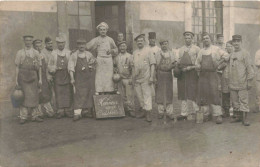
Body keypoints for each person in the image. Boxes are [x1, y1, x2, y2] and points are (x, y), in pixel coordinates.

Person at [195, 32, 229, 124]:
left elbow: (226, 56)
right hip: (203, 75)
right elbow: (197, 63)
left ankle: (218, 115)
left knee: (214, 94)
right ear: (202, 40)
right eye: (204, 38)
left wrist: (218, 64)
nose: (206, 40)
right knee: (204, 94)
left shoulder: (216, 49)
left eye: (207, 38)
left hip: (213, 75)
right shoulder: (201, 51)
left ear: (211, 39)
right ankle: (206, 114)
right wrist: (198, 67)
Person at [15, 35, 43, 124]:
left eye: (30, 40)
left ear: (32, 41)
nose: (28, 42)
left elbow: (40, 67)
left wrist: (40, 79)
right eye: (26, 40)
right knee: (24, 97)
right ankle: (23, 116)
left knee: (34, 96)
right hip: (23, 77)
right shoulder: (20, 53)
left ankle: (35, 116)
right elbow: (17, 67)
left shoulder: (36, 53)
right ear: (24, 41)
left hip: (33, 76)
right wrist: (16, 80)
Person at [229, 35, 254, 126]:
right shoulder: (231, 54)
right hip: (233, 82)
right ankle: (238, 117)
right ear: (232, 43)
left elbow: (249, 68)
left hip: (242, 81)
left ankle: (245, 118)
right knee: (235, 101)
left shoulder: (245, 53)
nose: (236, 43)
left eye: (238, 41)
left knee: (243, 100)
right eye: (234, 41)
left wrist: (249, 81)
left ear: (241, 42)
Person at [86, 22, 118, 94]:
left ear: (106, 30)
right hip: (100, 59)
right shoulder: (96, 39)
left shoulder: (110, 39)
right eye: (101, 30)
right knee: (99, 76)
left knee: (108, 76)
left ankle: (109, 91)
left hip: (108, 60)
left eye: (104, 30)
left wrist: (111, 50)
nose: (103, 31)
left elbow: (116, 50)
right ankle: (99, 91)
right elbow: (87, 47)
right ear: (99, 31)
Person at [68, 39, 96, 121]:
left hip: (88, 78)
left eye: (83, 45)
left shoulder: (89, 54)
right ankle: (77, 113)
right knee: (78, 95)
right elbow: (71, 67)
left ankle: (87, 112)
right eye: (80, 45)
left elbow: (94, 63)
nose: (81, 46)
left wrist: (91, 67)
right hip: (78, 79)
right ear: (77, 46)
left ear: (85, 46)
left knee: (88, 94)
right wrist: (72, 78)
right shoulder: (74, 55)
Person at [177, 31, 200, 121]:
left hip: (193, 73)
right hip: (183, 74)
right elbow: (178, 61)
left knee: (193, 92)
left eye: (189, 38)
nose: (187, 39)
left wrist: (191, 67)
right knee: (183, 93)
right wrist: (179, 67)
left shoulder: (197, 49)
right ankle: (184, 113)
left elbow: (199, 63)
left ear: (192, 38)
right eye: (186, 38)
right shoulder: (181, 49)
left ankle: (197, 111)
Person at [132, 34, 156, 122]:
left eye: (141, 41)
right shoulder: (134, 52)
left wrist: (151, 77)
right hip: (137, 78)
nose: (139, 42)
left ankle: (148, 113)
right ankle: (143, 111)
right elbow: (133, 66)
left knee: (147, 95)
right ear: (136, 42)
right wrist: (133, 77)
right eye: (138, 41)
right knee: (139, 96)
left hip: (146, 77)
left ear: (144, 41)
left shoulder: (148, 50)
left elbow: (152, 64)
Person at [48, 36, 73, 119]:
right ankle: (60, 111)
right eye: (59, 43)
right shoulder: (53, 53)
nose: (61, 44)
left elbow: (72, 64)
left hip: (67, 74)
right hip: (57, 75)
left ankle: (68, 110)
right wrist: (53, 69)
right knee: (59, 92)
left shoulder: (69, 53)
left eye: (62, 43)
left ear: (65, 43)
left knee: (67, 92)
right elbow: (50, 65)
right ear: (57, 44)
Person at [155, 39, 177, 120]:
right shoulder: (157, 54)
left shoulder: (172, 53)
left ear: (168, 44)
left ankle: (169, 112)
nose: (164, 45)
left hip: (168, 75)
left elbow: (175, 63)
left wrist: (171, 66)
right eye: (162, 44)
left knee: (168, 93)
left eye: (165, 44)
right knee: (159, 93)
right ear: (160, 45)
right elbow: (155, 65)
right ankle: (160, 112)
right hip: (160, 74)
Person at [34, 37, 55, 118]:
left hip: (43, 76)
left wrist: (47, 76)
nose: (38, 46)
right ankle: (39, 113)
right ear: (34, 46)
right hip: (35, 76)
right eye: (36, 45)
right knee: (38, 94)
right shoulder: (33, 54)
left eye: (39, 45)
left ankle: (49, 111)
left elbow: (46, 66)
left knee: (46, 93)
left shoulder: (42, 54)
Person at [114, 41, 135, 117]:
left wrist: (132, 78)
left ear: (126, 47)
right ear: (119, 48)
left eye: (124, 46)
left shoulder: (130, 56)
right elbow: (115, 67)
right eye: (121, 46)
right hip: (119, 79)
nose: (122, 48)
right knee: (121, 95)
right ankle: (123, 110)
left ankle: (131, 109)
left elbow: (133, 68)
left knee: (129, 95)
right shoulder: (116, 57)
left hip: (128, 78)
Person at [218, 40, 233, 117]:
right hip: (225, 78)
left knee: (233, 94)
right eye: (227, 46)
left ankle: (234, 111)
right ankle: (226, 111)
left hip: (233, 79)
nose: (229, 48)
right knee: (225, 94)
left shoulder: (234, 55)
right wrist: (222, 63)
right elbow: (218, 67)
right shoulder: (224, 56)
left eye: (230, 46)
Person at [148, 32, 160, 98]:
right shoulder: (146, 48)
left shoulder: (158, 49)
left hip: (155, 68)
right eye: (150, 39)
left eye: (153, 39)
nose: (152, 40)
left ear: (155, 39)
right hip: (147, 69)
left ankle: (157, 96)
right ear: (148, 39)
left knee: (156, 82)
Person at [255, 35, 260, 113]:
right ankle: (258, 106)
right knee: (258, 91)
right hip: (259, 74)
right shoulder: (258, 52)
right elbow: (256, 63)